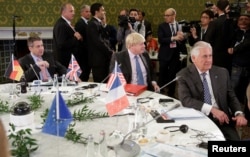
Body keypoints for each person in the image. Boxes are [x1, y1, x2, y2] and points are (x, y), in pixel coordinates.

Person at [177, 41, 248, 141]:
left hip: (223, 120)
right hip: (199, 119)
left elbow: (231, 96)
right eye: (204, 56)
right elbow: (186, 100)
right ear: (193, 58)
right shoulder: (184, 75)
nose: (209, 60)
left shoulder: (222, 72)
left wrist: (239, 113)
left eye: (210, 56)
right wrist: (212, 109)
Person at [157, 8, 187, 98]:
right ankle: (159, 92)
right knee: (162, 75)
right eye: (164, 15)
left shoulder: (179, 26)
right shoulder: (162, 26)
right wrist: (173, 38)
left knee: (173, 76)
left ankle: (171, 95)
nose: (165, 17)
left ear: (174, 16)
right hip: (164, 55)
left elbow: (183, 41)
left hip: (175, 55)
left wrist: (182, 38)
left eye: (167, 15)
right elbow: (161, 40)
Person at [204, 0, 234, 74]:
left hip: (215, 57)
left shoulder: (214, 23)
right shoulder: (232, 21)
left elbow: (207, 40)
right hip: (229, 57)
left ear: (217, 8)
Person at [87, 3, 114, 83]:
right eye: (102, 10)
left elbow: (105, 39)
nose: (104, 12)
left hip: (102, 60)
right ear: (96, 12)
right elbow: (98, 42)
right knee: (101, 83)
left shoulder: (98, 23)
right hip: (98, 61)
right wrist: (110, 51)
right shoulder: (93, 24)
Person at [228, 14, 250, 105]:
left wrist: (235, 49)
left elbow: (246, 43)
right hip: (236, 66)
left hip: (248, 66)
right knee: (232, 88)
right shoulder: (234, 33)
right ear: (237, 22)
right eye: (241, 19)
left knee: (246, 91)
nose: (243, 21)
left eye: (246, 19)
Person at [53, 2, 82, 68]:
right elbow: (61, 44)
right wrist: (75, 38)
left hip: (70, 61)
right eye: (71, 11)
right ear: (63, 12)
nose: (73, 13)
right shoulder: (62, 25)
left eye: (74, 11)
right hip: (65, 62)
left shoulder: (65, 23)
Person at [75, 4, 91, 81]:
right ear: (82, 13)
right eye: (86, 11)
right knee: (83, 76)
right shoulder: (80, 24)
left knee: (86, 75)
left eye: (89, 12)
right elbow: (80, 41)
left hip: (87, 55)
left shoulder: (88, 23)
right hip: (82, 56)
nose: (89, 13)